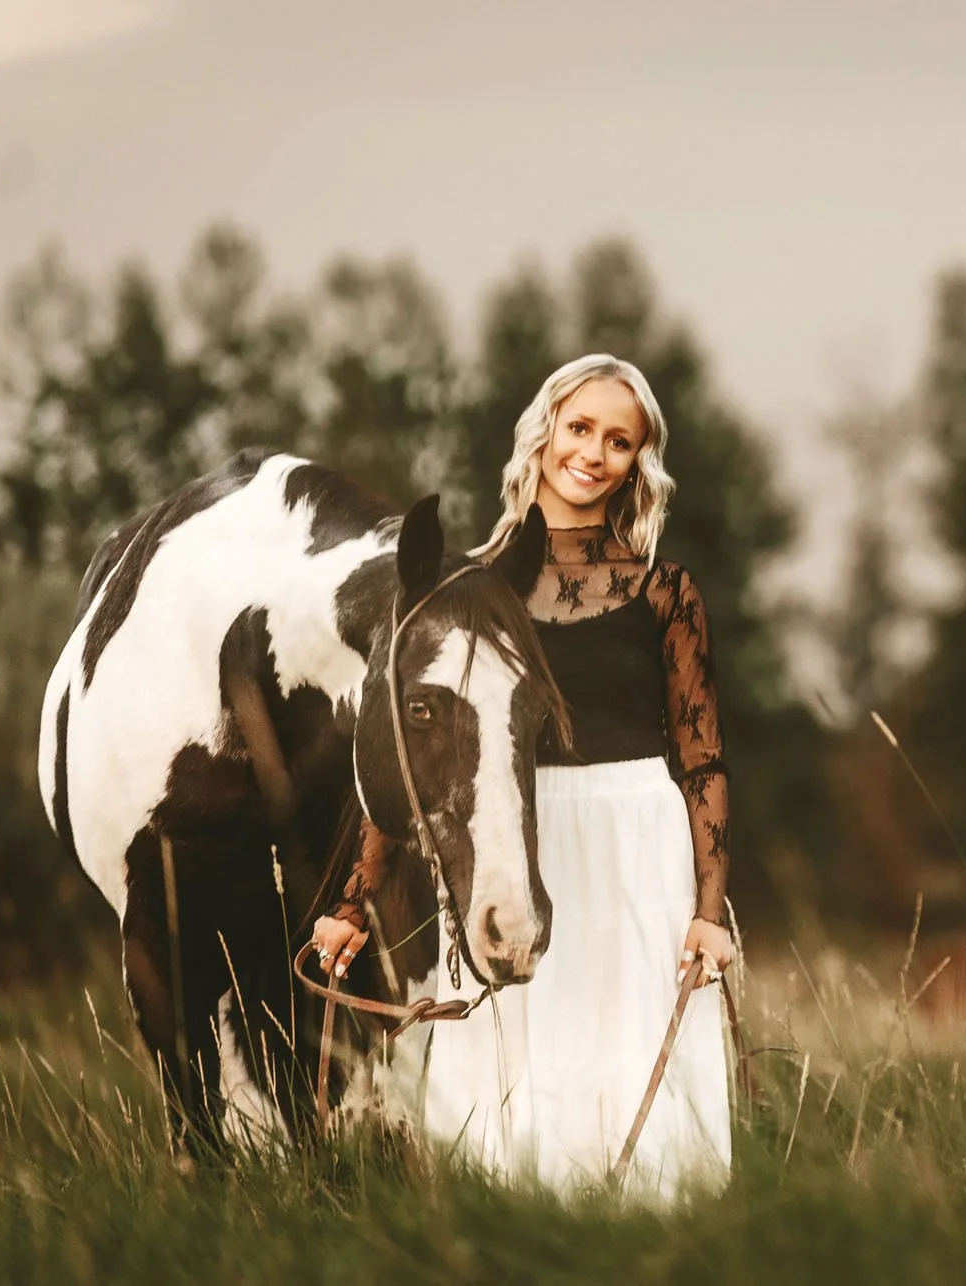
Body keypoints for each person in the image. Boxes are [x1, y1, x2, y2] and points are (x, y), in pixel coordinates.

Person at [309, 353, 736, 1197]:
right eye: (580, 427)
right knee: (509, 1060)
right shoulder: (464, 583)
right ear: (543, 434)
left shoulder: (663, 590)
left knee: (625, 1043)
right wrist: (356, 899)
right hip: (504, 836)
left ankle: (651, 1247)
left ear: (637, 462)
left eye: (621, 440)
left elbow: (702, 757)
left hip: (635, 841)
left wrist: (711, 912)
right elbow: (413, 742)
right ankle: (508, 1237)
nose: (594, 452)